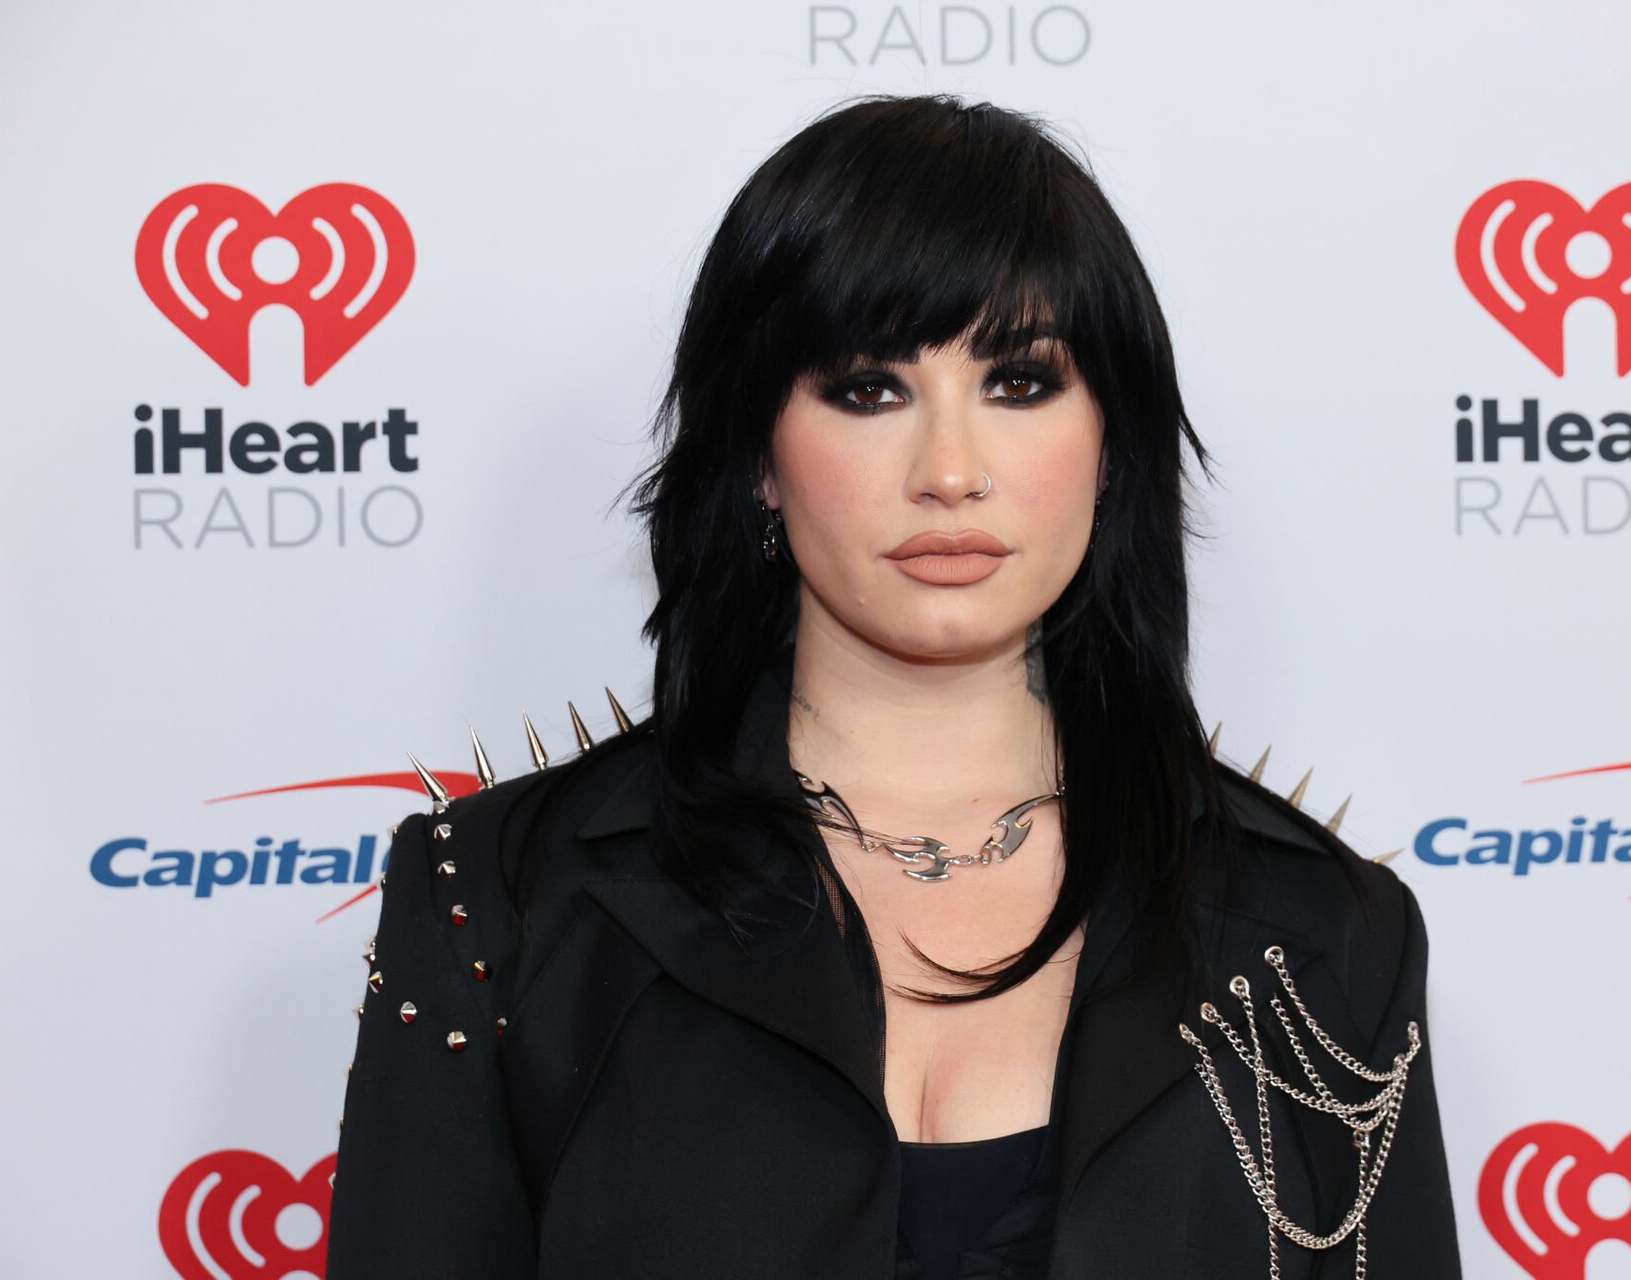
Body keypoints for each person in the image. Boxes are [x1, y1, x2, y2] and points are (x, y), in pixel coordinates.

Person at [326, 93, 1464, 1279]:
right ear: (759, 454)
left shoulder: (1327, 932)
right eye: (869, 389)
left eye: (1019, 382)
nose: (951, 471)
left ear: (1111, 444)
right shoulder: (501, 901)